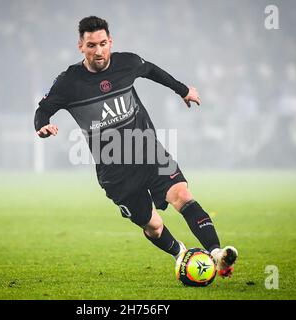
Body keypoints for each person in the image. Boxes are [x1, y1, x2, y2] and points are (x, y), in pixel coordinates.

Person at [34, 16, 237, 277]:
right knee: (152, 225)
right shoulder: (68, 82)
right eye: (92, 45)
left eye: (103, 44)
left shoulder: (126, 62)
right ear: (80, 47)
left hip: (148, 151)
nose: (99, 51)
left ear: (111, 42)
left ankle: (216, 253)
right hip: (115, 171)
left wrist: (183, 89)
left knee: (182, 196)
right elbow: (43, 110)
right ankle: (180, 254)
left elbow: (151, 70)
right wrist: (42, 127)